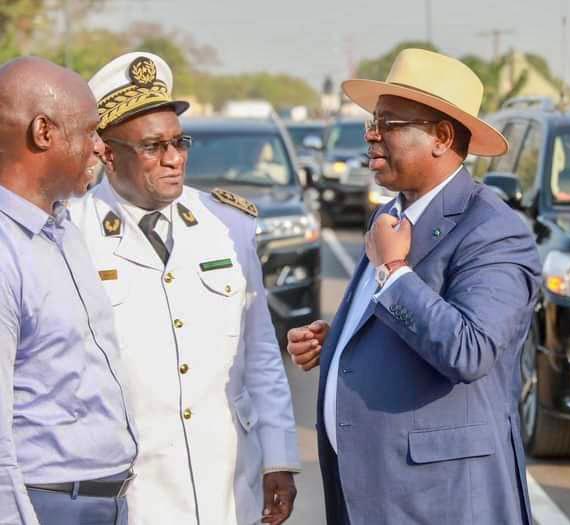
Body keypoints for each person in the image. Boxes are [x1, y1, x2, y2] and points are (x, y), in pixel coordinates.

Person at [288, 48, 542, 525]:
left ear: (442, 138)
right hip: (370, 495)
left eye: (389, 123)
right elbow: (397, 319)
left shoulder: (493, 230)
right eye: (373, 121)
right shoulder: (391, 212)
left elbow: (470, 350)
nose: (371, 134)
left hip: (441, 502)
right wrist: (343, 339)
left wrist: (396, 269)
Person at [68, 52, 300, 525]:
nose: (174, 159)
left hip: (228, 483)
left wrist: (279, 457)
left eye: (179, 142)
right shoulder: (72, 234)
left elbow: (259, 351)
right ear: (107, 153)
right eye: (153, 147)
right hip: (130, 491)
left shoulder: (228, 222)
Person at [0, 57, 137, 525]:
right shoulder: (5, 251)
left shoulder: (60, 229)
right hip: (46, 505)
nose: (101, 148)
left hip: (102, 501)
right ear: (44, 132)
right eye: (91, 131)